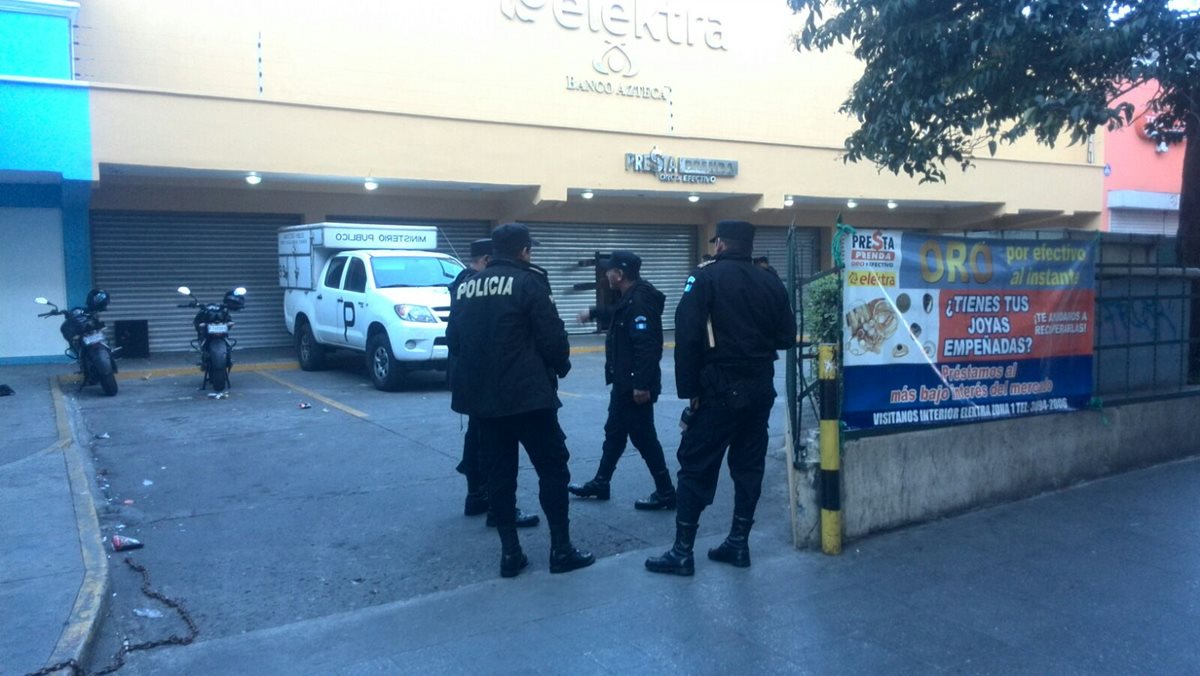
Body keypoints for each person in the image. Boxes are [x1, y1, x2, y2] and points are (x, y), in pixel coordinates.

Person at [645, 221, 795, 576]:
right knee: (748, 466)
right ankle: (738, 543)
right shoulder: (770, 280)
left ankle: (682, 551)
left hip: (718, 389)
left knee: (696, 465)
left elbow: (688, 335)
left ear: (722, 245)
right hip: (760, 389)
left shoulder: (705, 278)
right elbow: (787, 336)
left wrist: (691, 393)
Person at [446, 223, 594, 578]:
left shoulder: (465, 286)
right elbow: (552, 337)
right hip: (529, 398)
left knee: (500, 474)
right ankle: (560, 550)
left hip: (484, 401)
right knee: (552, 469)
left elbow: (454, 339)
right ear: (524, 251)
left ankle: (510, 554)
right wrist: (561, 365)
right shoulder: (529, 283)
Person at [570, 251, 675, 510]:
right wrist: (594, 312)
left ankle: (666, 491)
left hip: (633, 385)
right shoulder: (631, 297)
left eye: (609, 270)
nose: (606, 274)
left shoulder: (639, 301)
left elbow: (646, 345)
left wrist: (641, 383)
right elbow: (618, 313)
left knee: (644, 438)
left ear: (619, 274)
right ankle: (601, 482)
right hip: (625, 382)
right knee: (615, 433)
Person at [448, 238, 539, 529]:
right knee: (492, 446)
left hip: (471, 376)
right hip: (492, 378)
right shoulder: (482, 285)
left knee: (477, 436)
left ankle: (477, 496)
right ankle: (496, 508)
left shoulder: (463, 283)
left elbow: (454, 337)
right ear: (488, 259)